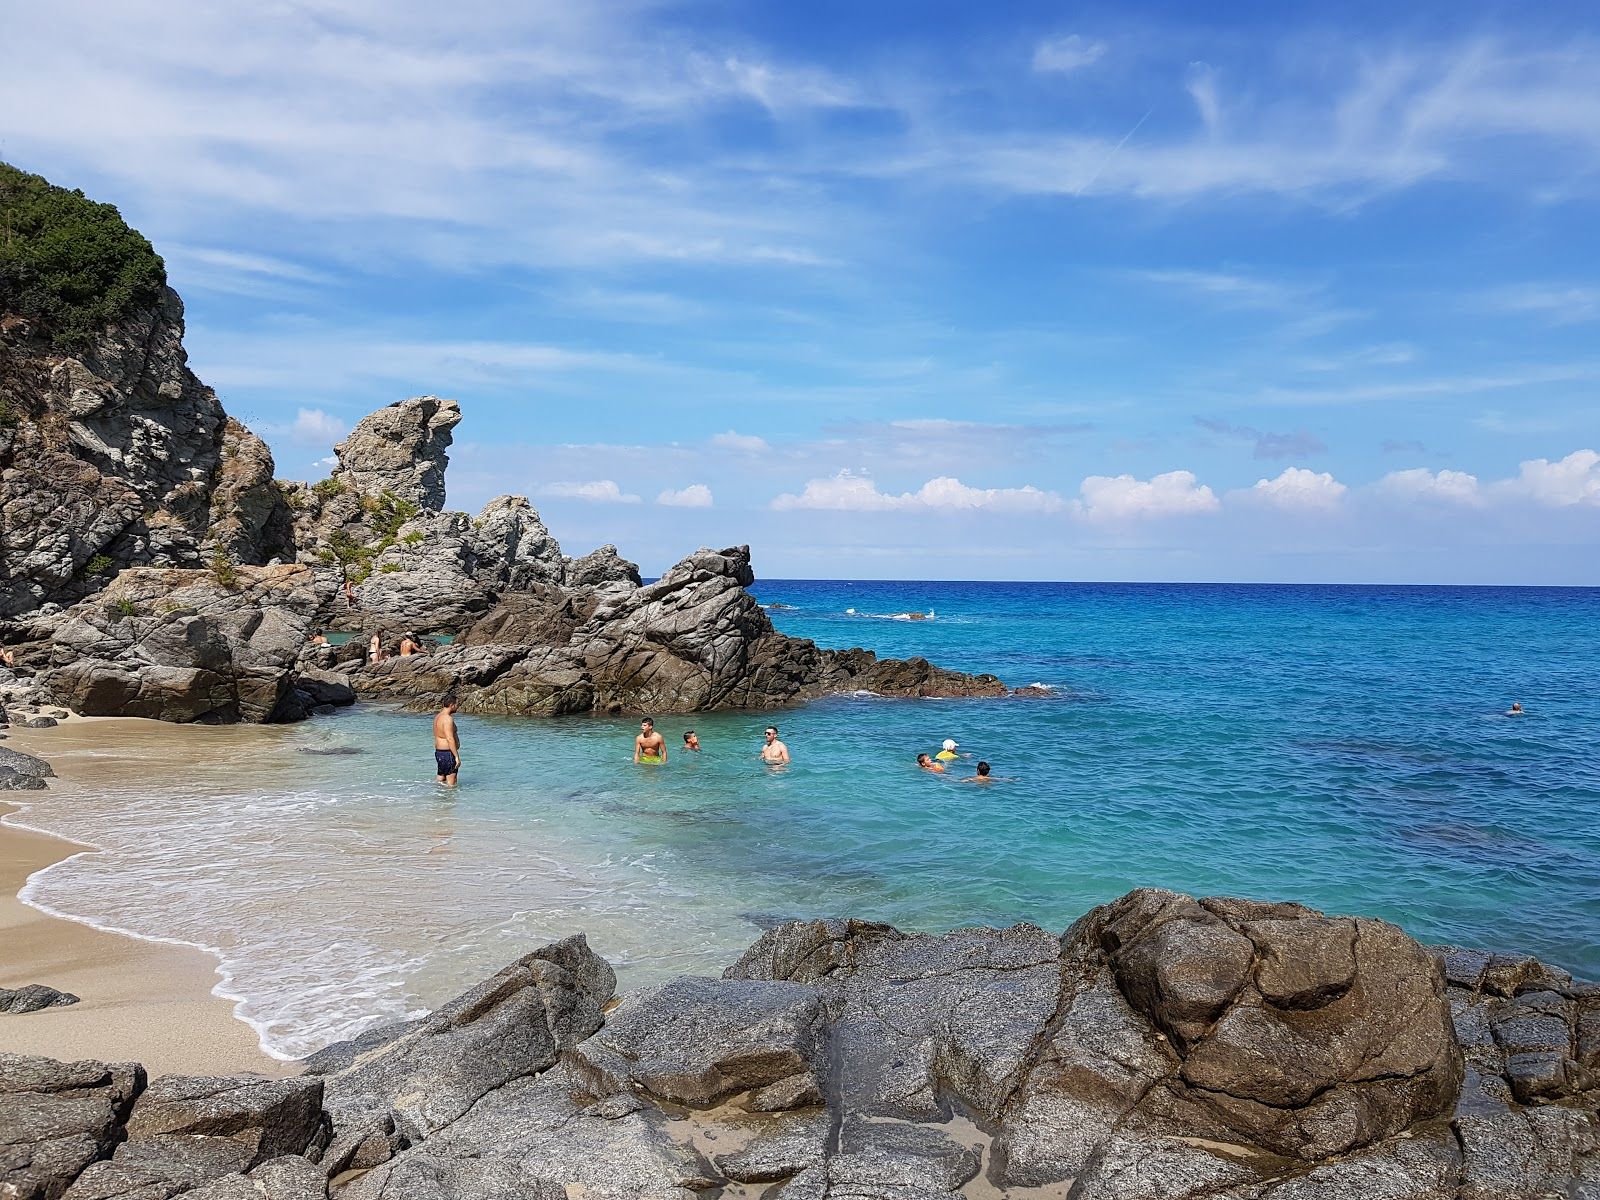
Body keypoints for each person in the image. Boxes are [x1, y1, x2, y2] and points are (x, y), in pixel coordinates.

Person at [433, 695, 462, 786]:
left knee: (441, 778)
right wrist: (456, 757)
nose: (458, 707)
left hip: (439, 753)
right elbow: (450, 739)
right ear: (451, 705)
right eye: (457, 704)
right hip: (448, 753)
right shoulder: (447, 719)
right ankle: (450, 800)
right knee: (451, 784)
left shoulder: (438, 716)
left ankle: (439, 798)